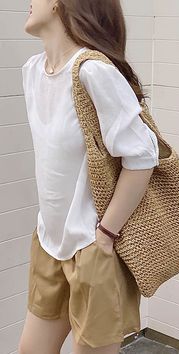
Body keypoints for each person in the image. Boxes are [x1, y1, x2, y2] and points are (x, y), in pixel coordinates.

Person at [18, 1, 159, 353]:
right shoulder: (33, 71)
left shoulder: (93, 72)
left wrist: (106, 235)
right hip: (50, 242)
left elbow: (143, 156)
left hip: (92, 246)